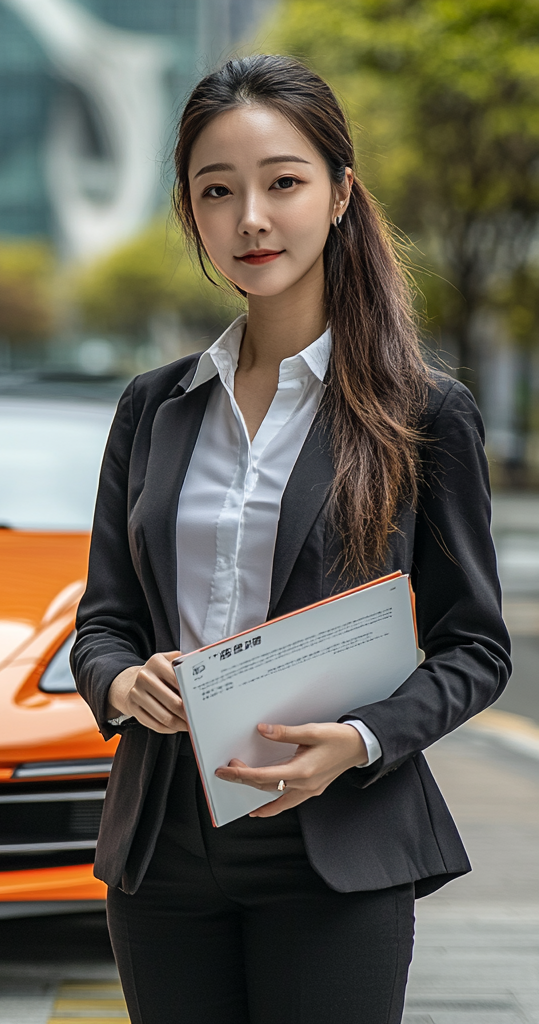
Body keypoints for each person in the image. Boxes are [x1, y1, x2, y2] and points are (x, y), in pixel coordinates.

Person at [71, 55, 511, 1024]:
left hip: (336, 836)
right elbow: (101, 619)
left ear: (340, 193)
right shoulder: (153, 408)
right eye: (216, 191)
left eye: (282, 182)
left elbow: (475, 645)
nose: (250, 220)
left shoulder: (421, 411)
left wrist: (357, 741)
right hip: (164, 843)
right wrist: (118, 679)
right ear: (189, 212)